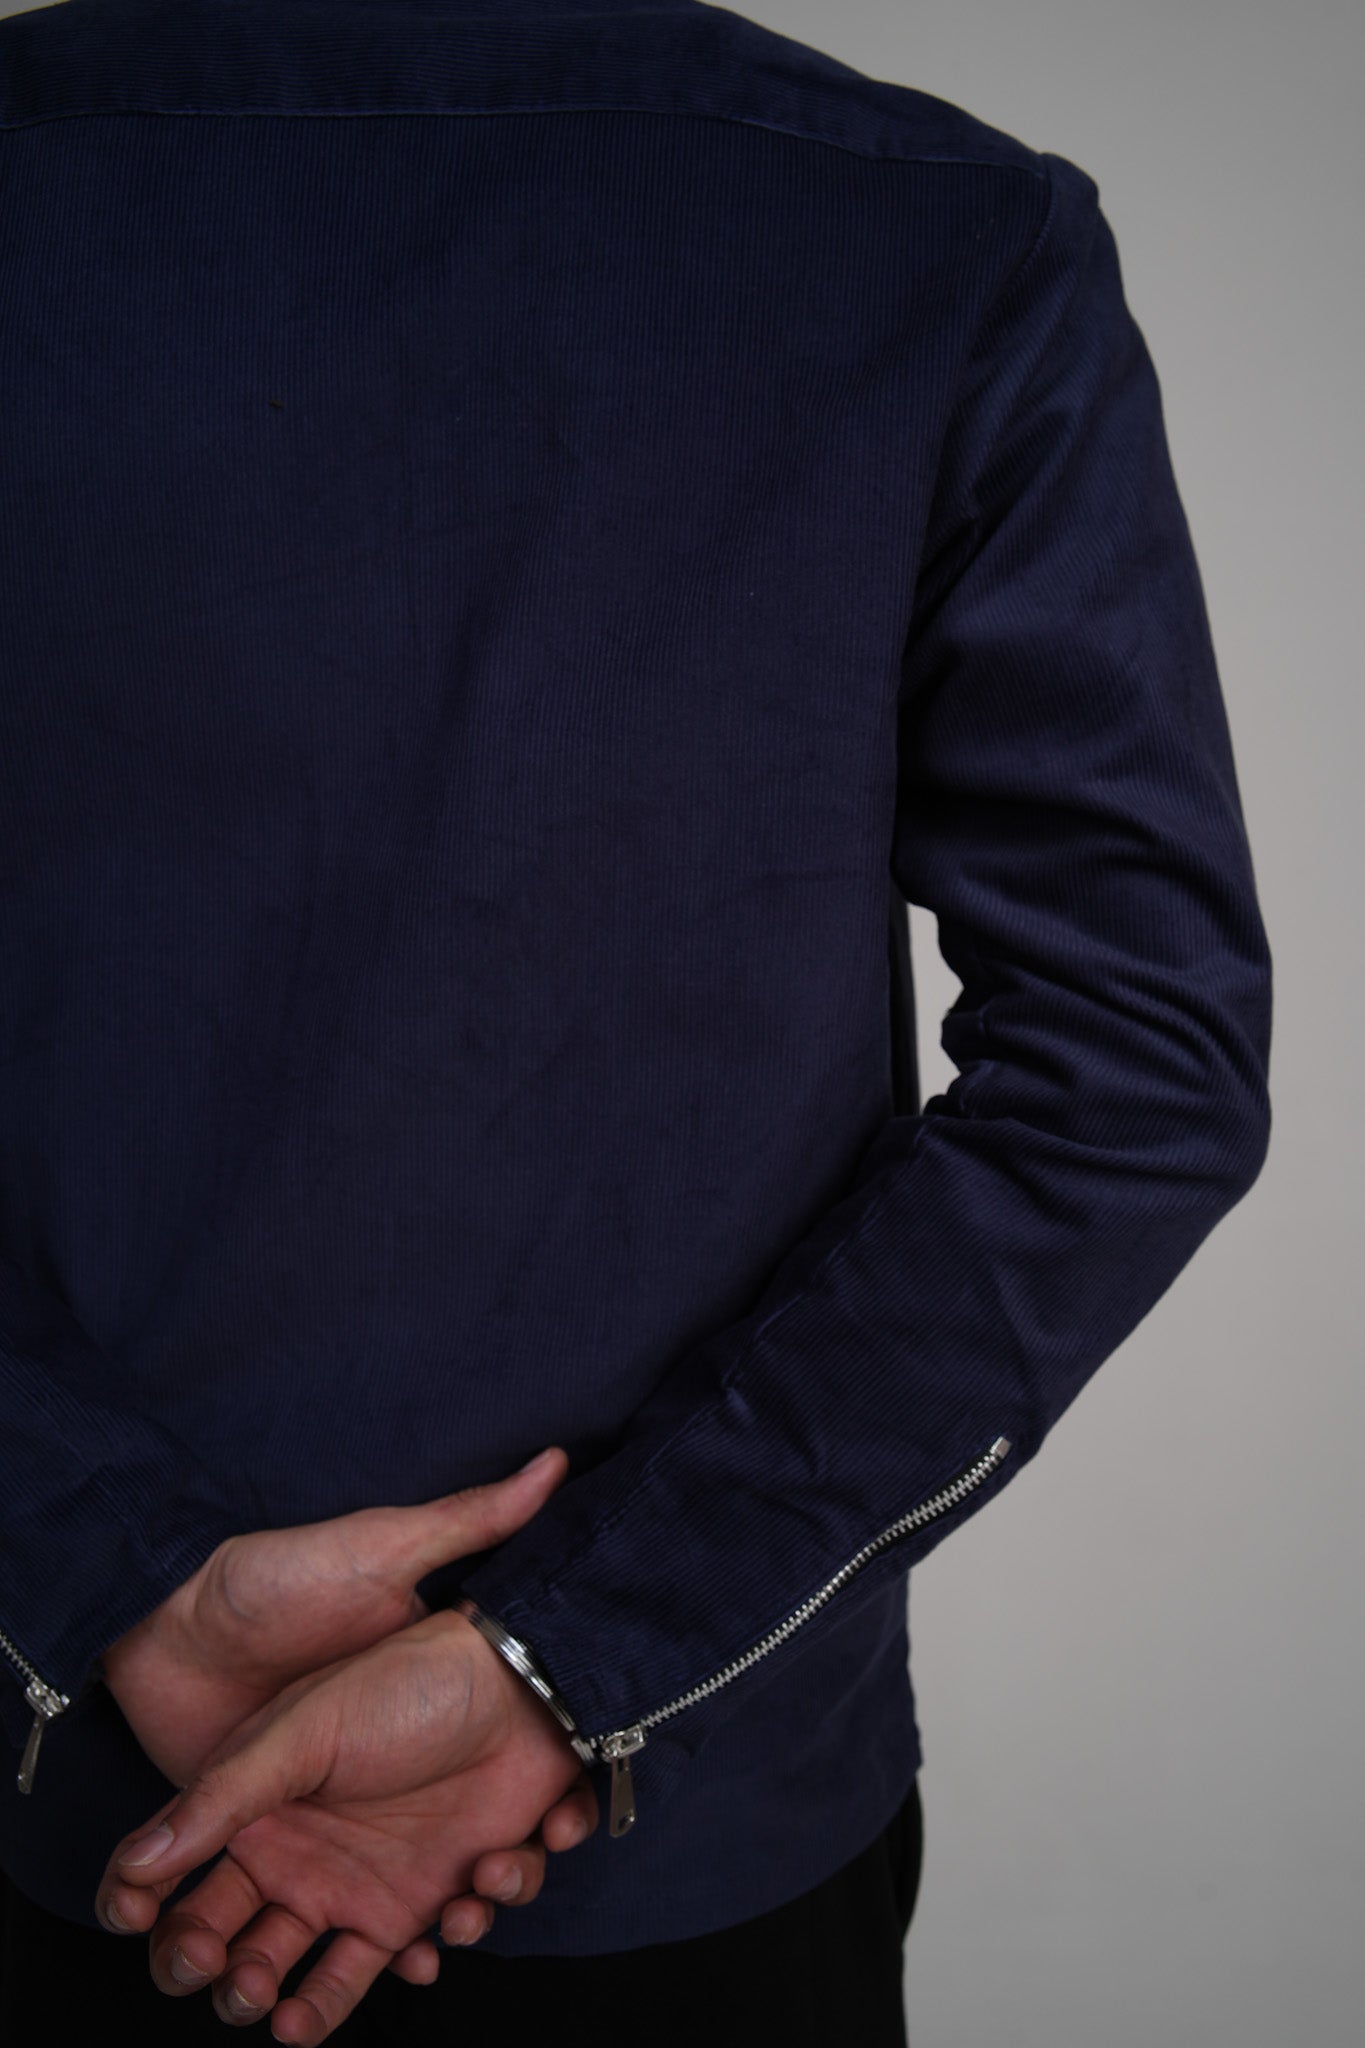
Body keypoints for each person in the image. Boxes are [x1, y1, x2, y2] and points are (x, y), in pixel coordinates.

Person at [0, 0, 1273, 2040]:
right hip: (689, 1825)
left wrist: (101, 1569)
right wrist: (566, 1658)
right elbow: (1131, 1070)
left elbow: (1129, 1070)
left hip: (68, 1780)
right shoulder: (937, 235)